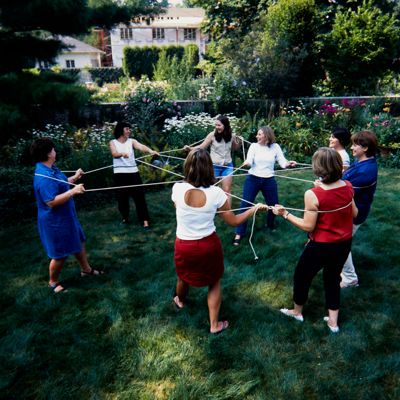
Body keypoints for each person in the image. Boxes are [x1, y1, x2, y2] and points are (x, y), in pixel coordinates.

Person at [172, 148, 267, 334]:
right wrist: (253, 209)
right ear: (209, 168)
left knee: (183, 275)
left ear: (188, 167)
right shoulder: (216, 194)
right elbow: (234, 222)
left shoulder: (177, 188)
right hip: (208, 246)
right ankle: (214, 325)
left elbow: (178, 207)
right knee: (214, 282)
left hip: (184, 245)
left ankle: (180, 300)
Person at [273, 147, 358, 333]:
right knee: (332, 278)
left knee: (302, 276)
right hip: (344, 243)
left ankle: (297, 312)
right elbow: (355, 213)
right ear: (338, 167)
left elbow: (308, 226)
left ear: (318, 169)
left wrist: (285, 213)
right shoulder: (348, 186)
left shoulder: (312, 194)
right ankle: (333, 323)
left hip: (321, 246)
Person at [31, 138, 103, 294]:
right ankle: (53, 282)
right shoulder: (43, 177)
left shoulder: (51, 169)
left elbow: (61, 183)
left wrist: (75, 178)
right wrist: (73, 191)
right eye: (53, 149)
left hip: (66, 216)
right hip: (54, 222)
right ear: (48, 153)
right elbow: (51, 201)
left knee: (79, 241)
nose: (55, 151)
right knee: (60, 254)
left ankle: (86, 270)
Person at [233, 126, 296, 245]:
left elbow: (282, 162)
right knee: (245, 204)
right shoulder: (254, 146)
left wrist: (288, 164)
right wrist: (247, 163)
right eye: (257, 134)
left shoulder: (275, 147)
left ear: (266, 136)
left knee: (274, 204)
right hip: (253, 179)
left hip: (268, 180)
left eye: (259, 134)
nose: (257, 136)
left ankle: (270, 225)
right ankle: (239, 233)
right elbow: (250, 160)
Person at [340, 130, 378, 288]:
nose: (352, 147)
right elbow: (346, 178)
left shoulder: (365, 171)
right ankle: (342, 271)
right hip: (350, 211)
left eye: (356, 145)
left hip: (354, 214)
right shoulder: (362, 162)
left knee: (340, 244)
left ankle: (350, 278)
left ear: (366, 148)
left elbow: (342, 191)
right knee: (340, 243)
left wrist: (323, 186)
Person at [109, 122, 159, 228]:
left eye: (129, 129)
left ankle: (145, 220)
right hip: (120, 174)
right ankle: (125, 217)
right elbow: (114, 153)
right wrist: (122, 154)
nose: (129, 131)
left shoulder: (132, 141)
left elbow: (141, 147)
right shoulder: (113, 142)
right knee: (122, 198)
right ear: (121, 130)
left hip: (133, 173)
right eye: (127, 129)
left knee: (139, 197)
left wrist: (150, 151)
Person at [184, 115, 241, 202]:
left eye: (219, 125)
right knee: (211, 188)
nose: (216, 127)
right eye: (216, 125)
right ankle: (209, 206)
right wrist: (190, 149)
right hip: (214, 166)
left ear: (225, 125)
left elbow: (234, 148)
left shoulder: (232, 136)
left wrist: (239, 142)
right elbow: (202, 147)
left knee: (227, 190)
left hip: (228, 166)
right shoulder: (212, 135)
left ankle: (227, 211)